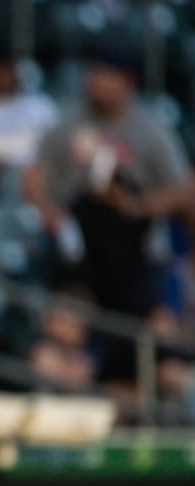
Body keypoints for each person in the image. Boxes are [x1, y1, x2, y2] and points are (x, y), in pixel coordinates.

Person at [24, 47, 193, 381]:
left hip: (134, 258)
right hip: (78, 258)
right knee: (57, 352)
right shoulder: (69, 123)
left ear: (127, 80)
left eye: (105, 73)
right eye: (93, 72)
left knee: (164, 363)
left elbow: (185, 190)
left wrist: (137, 205)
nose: (95, 81)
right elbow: (33, 178)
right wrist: (49, 212)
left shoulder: (149, 132)